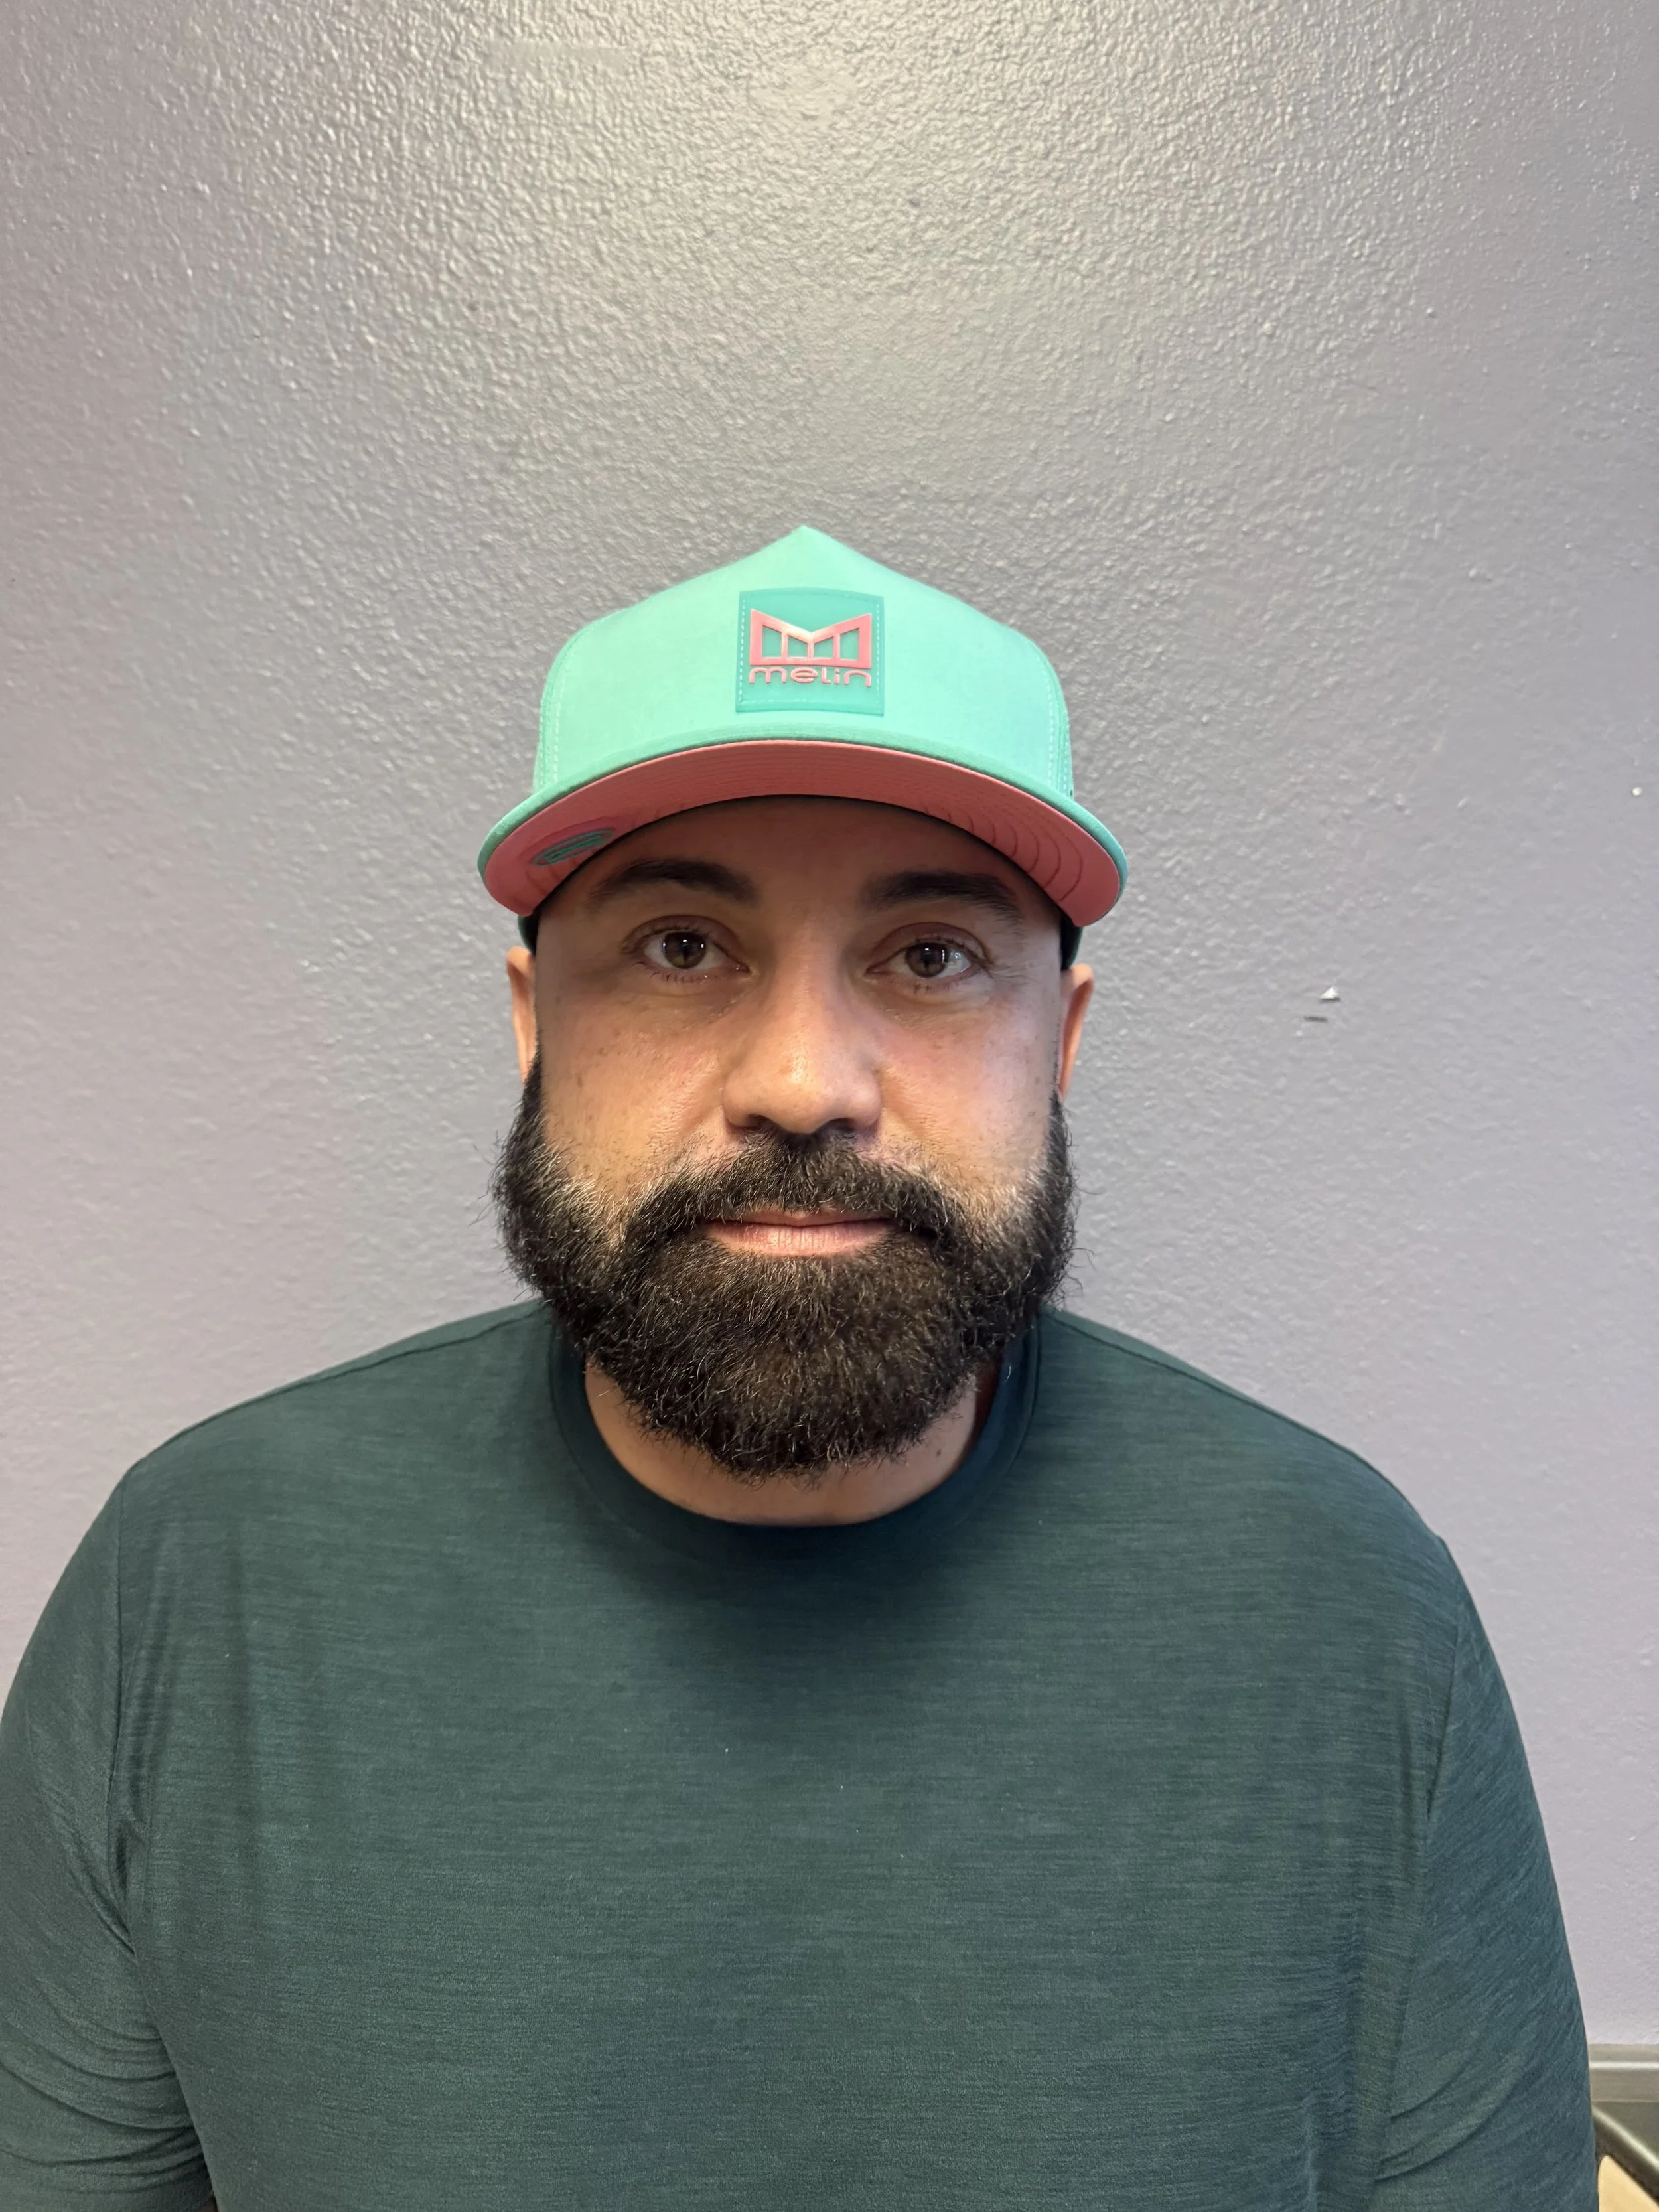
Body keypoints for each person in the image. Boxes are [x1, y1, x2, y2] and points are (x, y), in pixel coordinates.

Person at [0, 528, 1595, 2210]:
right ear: (537, 1024)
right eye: (684, 946)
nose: (799, 1079)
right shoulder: (198, 1583)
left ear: (1059, 1040)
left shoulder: (1346, 1614)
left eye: (929, 956)